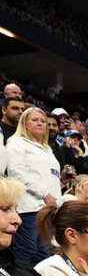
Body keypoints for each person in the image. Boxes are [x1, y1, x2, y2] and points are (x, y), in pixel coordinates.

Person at [6, 107, 61, 266]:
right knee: (26, 251)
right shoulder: (16, 143)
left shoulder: (48, 149)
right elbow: (16, 174)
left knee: (43, 254)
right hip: (29, 208)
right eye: (35, 120)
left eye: (43, 121)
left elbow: (49, 178)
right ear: (25, 124)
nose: (40, 123)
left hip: (48, 210)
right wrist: (43, 193)